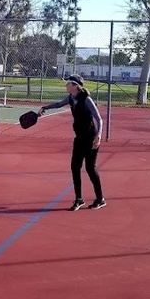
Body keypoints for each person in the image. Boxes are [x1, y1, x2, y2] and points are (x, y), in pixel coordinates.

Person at [40, 74, 105, 210]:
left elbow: (99, 119)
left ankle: (100, 199)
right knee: (75, 168)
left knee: (90, 168)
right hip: (79, 138)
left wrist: (98, 135)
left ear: (75, 86)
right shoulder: (71, 98)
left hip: (91, 138)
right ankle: (79, 199)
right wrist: (45, 107)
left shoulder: (86, 99)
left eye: (68, 83)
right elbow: (58, 104)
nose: (66, 85)